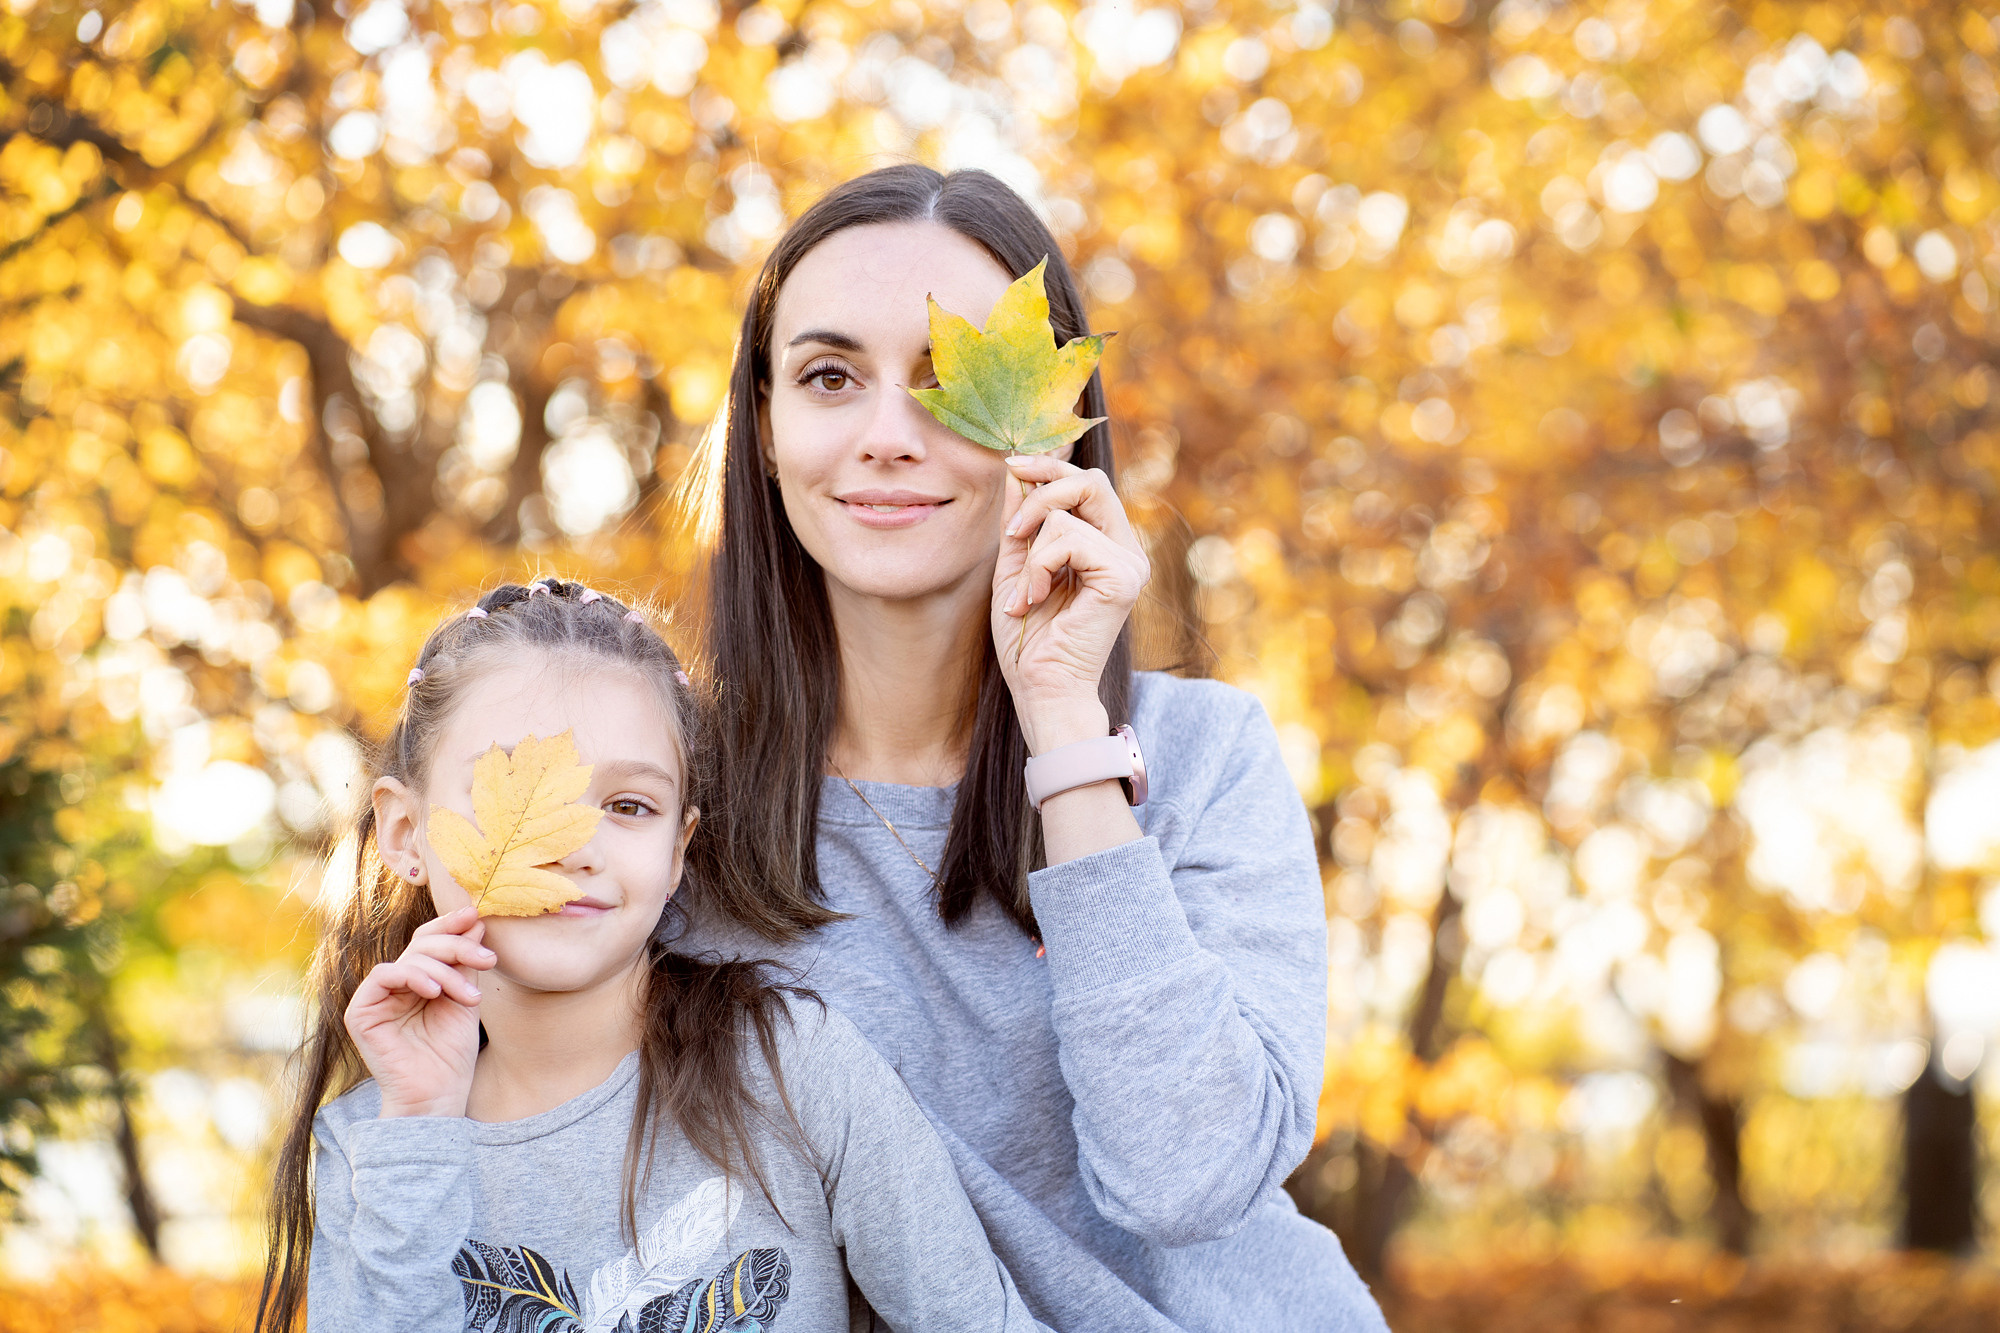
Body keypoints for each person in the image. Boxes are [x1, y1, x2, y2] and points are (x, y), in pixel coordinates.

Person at [683, 165, 1390, 1330]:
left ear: (1055, 423)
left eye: (948, 383)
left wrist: (1062, 724)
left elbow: (1187, 1181)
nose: (887, 437)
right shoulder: (663, 805)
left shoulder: (1202, 758)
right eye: (828, 377)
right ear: (763, 429)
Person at [255, 577, 1052, 1333]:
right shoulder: (373, 1144)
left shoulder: (788, 1065)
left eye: (628, 805)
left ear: (677, 850)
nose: (575, 845)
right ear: (405, 832)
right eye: (516, 791)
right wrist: (419, 1128)